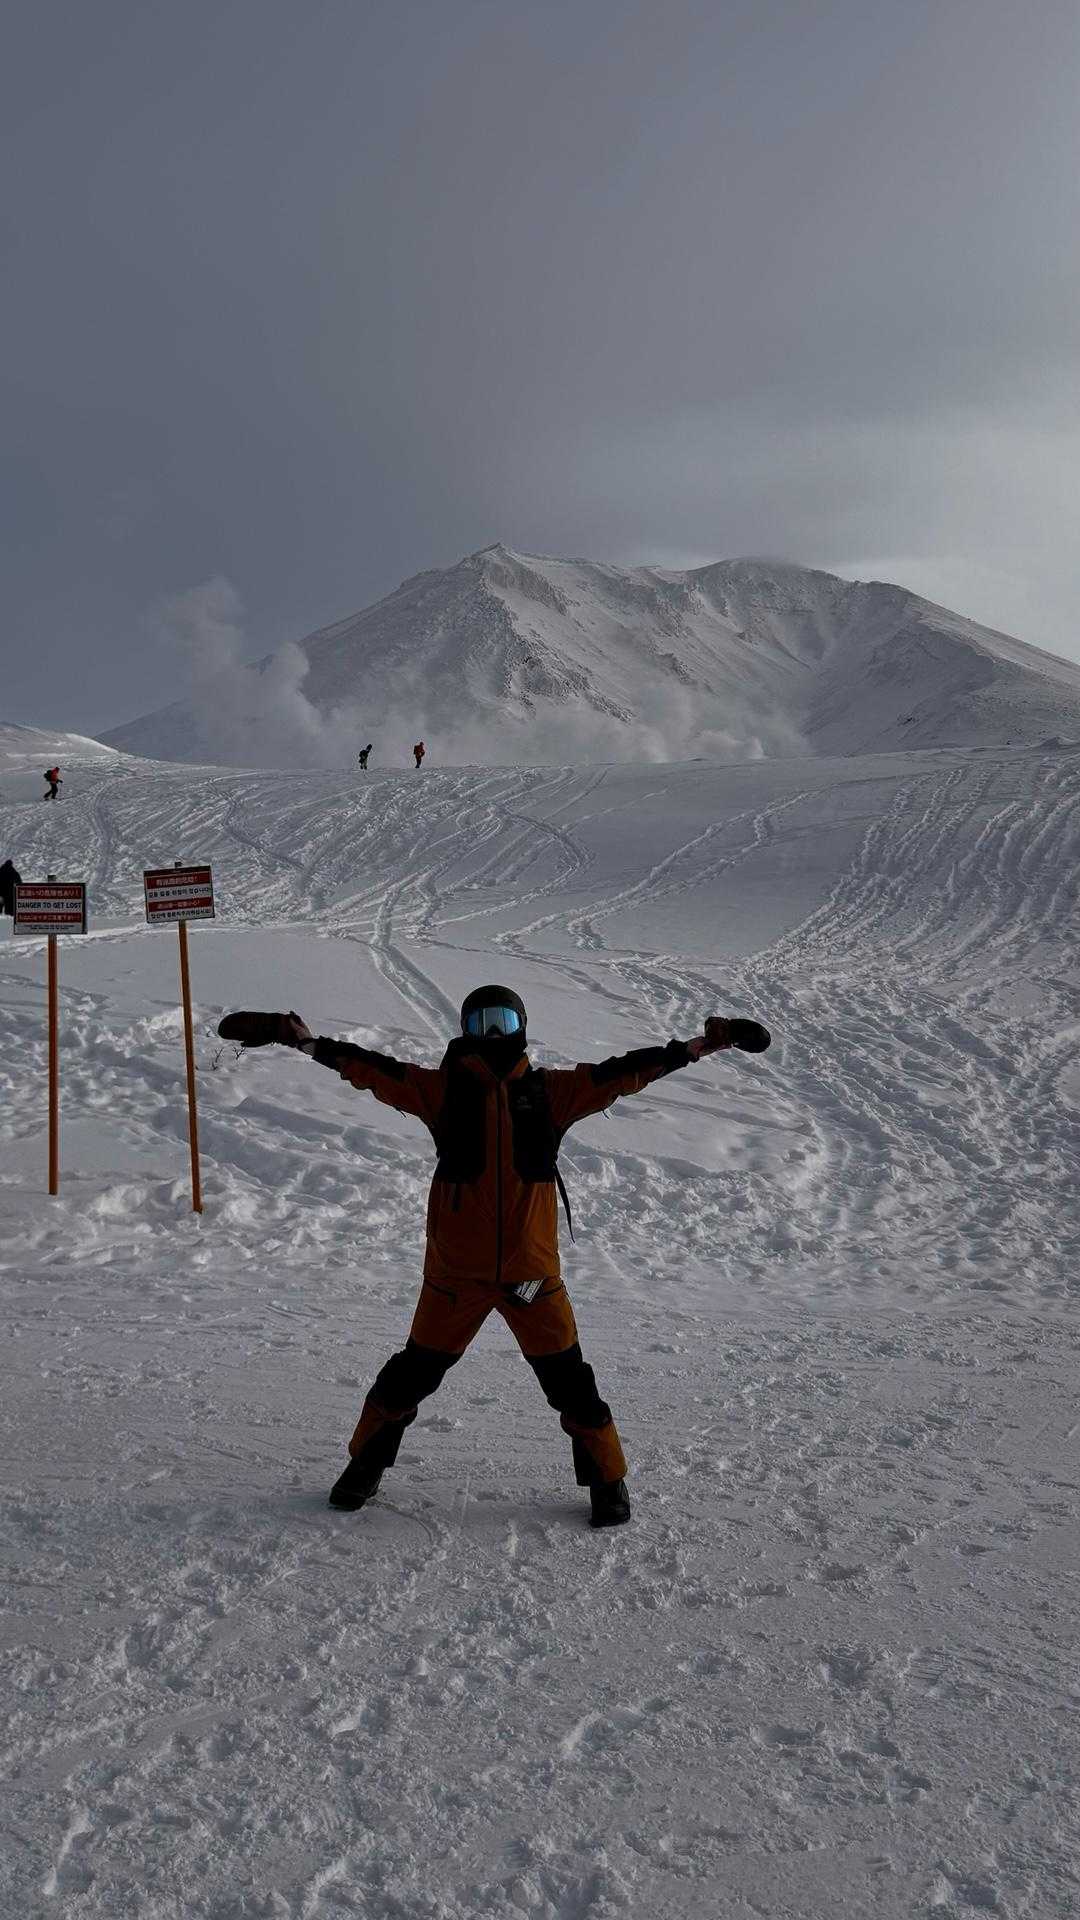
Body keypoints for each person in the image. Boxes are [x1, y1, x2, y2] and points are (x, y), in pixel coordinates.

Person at [218, 988, 769, 1528]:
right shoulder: (440, 1092)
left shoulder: (551, 1093)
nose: (492, 1033)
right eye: (480, 1022)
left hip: (532, 1277)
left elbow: (623, 1073)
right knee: (408, 1376)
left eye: (503, 1021)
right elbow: (372, 1070)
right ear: (464, 1030)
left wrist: (698, 1047)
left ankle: (608, 1481)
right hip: (455, 1277)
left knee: (571, 1383)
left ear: (521, 1027)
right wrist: (306, 1042)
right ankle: (364, 1467)